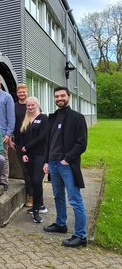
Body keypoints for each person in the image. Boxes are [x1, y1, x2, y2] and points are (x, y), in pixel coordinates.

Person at [43, 87, 88, 248]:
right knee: (58, 196)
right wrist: (47, 161)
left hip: (67, 165)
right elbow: (49, 141)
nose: (59, 98)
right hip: (53, 164)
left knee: (75, 199)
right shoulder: (53, 118)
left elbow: (82, 143)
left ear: (68, 97)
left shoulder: (77, 118)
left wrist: (67, 160)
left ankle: (80, 236)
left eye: (62, 95)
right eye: (57, 96)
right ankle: (61, 224)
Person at [20, 97, 49, 223]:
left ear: (37, 105)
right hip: (28, 156)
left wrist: (27, 147)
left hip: (40, 155)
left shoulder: (44, 118)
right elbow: (21, 136)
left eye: (32, 105)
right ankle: (39, 204)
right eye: (28, 105)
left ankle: (36, 210)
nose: (30, 107)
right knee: (32, 181)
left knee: (37, 181)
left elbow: (43, 137)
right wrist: (23, 151)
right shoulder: (25, 119)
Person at [13, 83, 33, 207]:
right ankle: (30, 195)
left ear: (27, 92)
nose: (22, 94)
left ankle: (36, 195)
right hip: (19, 142)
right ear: (17, 93)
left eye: (24, 92)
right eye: (19, 92)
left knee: (34, 169)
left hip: (32, 141)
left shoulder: (31, 105)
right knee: (25, 170)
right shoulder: (14, 106)